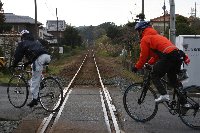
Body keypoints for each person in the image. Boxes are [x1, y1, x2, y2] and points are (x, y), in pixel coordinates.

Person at [132, 21, 190, 103]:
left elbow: (143, 56)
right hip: (178, 55)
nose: (138, 33)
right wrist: (150, 63)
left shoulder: (145, 39)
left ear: (142, 30)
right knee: (173, 80)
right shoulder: (158, 36)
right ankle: (185, 104)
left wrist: (136, 67)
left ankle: (164, 95)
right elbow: (157, 56)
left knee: (154, 74)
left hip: (169, 56)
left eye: (138, 31)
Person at [12, 30, 51, 107]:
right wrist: (26, 63)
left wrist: (14, 65)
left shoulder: (22, 43)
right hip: (47, 57)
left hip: (39, 58)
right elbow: (34, 55)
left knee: (34, 80)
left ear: (22, 36)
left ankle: (34, 100)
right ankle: (42, 82)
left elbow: (18, 56)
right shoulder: (35, 42)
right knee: (36, 71)